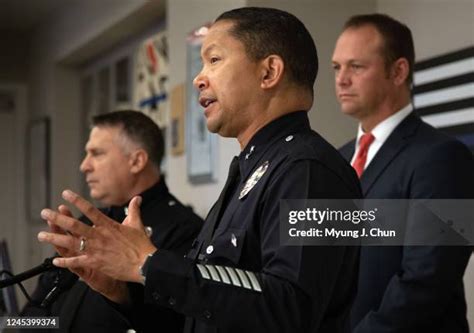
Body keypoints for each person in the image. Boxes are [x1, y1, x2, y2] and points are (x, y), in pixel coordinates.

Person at [38, 7, 362, 333]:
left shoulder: (309, 169)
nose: (198, 78)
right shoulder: (251, 169)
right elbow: (200, 315)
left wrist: (148, 264)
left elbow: (292, 308)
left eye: (215, 60)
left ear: (269, 72)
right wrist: (123, 292)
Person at [332, 13, 474, 333]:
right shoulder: (337, 161)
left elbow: (428, 280)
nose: (341, 79)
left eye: (356, 66)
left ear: (398, 71)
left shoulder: (445, 157)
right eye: (337, 67)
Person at [24, 110, 203, 332]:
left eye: (96, 153)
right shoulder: (86, 224)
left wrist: (123, 293)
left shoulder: (185, 230)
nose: (84, 166)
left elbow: (175, 325)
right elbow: (31, 313)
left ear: (136, 161)